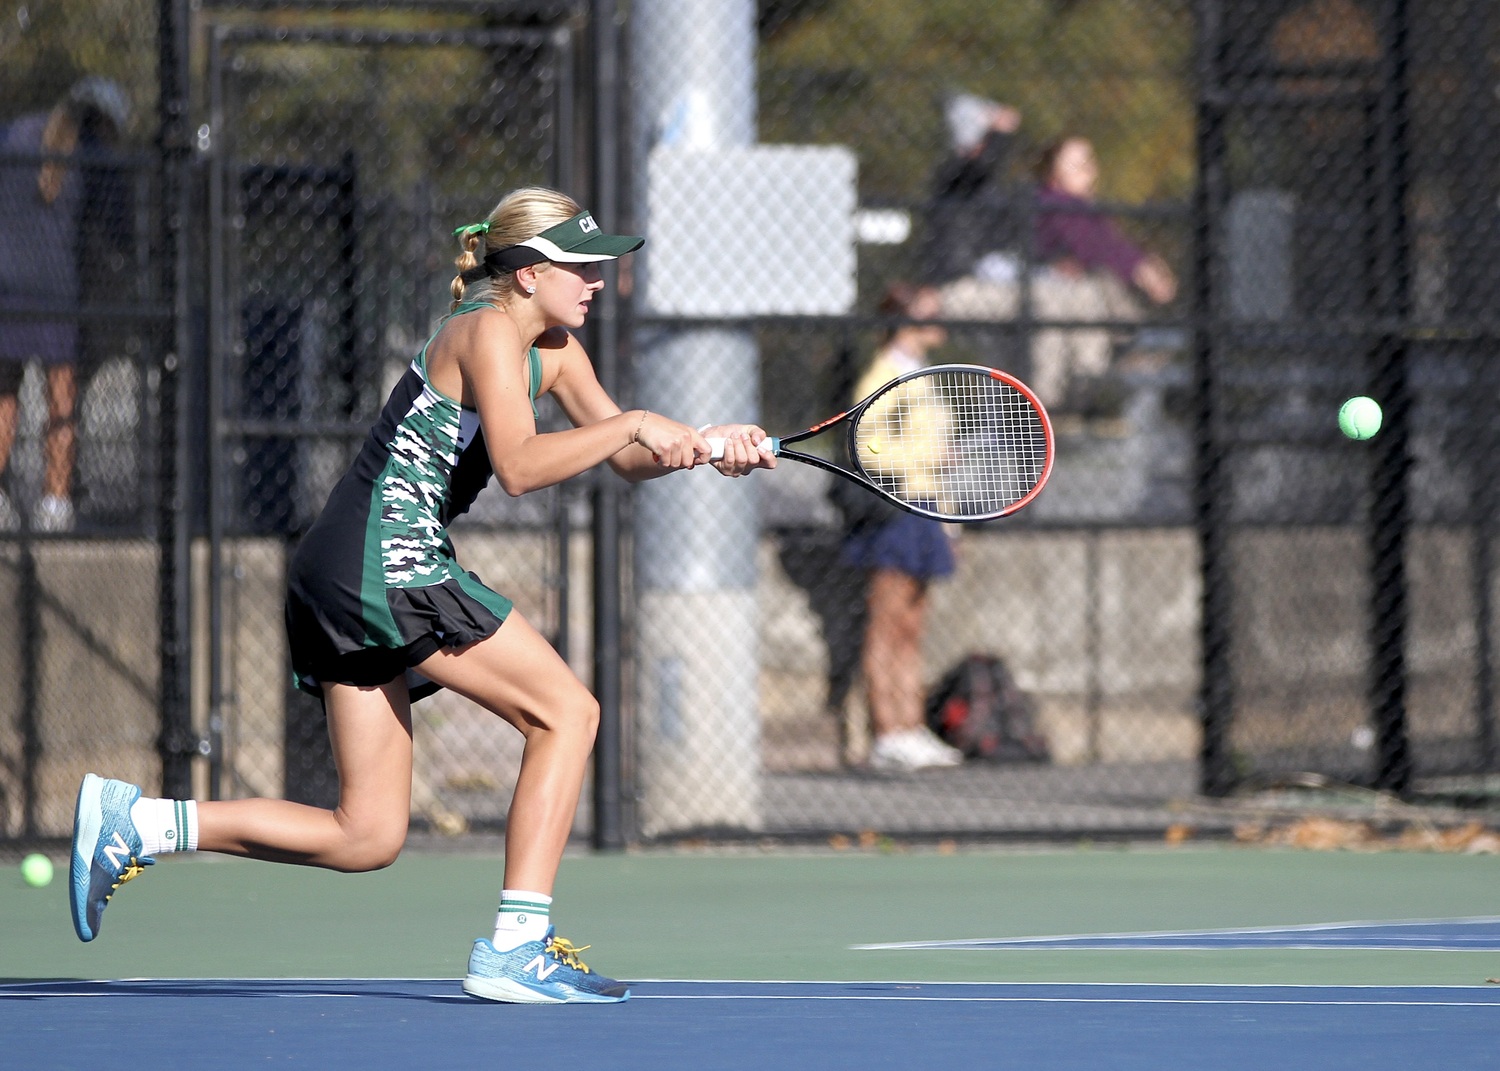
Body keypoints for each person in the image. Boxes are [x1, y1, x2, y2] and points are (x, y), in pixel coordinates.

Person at [67, 186, 774, 1004]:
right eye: (581, 266)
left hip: (349, 564)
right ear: (527, 274)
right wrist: (636, 423)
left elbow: (623, 457)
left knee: (366, 833)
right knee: (567, 712)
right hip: (382, 560)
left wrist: (708, 445)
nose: (597, 282)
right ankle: (517, 946)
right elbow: (519, 465)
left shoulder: (557, 351)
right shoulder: (483, 333)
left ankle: (140, 823)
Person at [839, 283, 964, 772]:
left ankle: (912, 728)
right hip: (893, 511)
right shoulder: (882, 373)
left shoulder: (922, 374)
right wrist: (924, 456)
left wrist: (951, 523)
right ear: (905, 319)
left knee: (912, 627)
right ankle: (887, 733)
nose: (940, 317)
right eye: (928, 309)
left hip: (926, 508)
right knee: (885, 627)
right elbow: (865, 446)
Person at [0, 77, 132, 532]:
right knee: (61, 399)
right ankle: (54, 501)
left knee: (4, 397)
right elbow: (115, 230)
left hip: (6, 285)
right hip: (57, 289)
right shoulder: (91, 151)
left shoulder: (17, 132)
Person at [1027, 135, 1178, 411]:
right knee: (1101, 282)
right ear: (1052, 170)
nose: (1086, 167)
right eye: (1075, 162)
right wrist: (1141, 270)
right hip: (1056, 290)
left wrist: (1145, 264)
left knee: (1104, 284)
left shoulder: (1086, 207)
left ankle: (1127, 353)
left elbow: (1112, 244)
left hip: (1087, 294)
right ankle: (1126, 351)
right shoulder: (1052, 201)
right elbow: (1092, 248)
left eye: (1088, 161)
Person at [918, 92, 1024, 289]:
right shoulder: (958, 172)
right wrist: (1000, 133)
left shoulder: (981, 177)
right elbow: (985, 163)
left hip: (983, 268)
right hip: (960, 273)